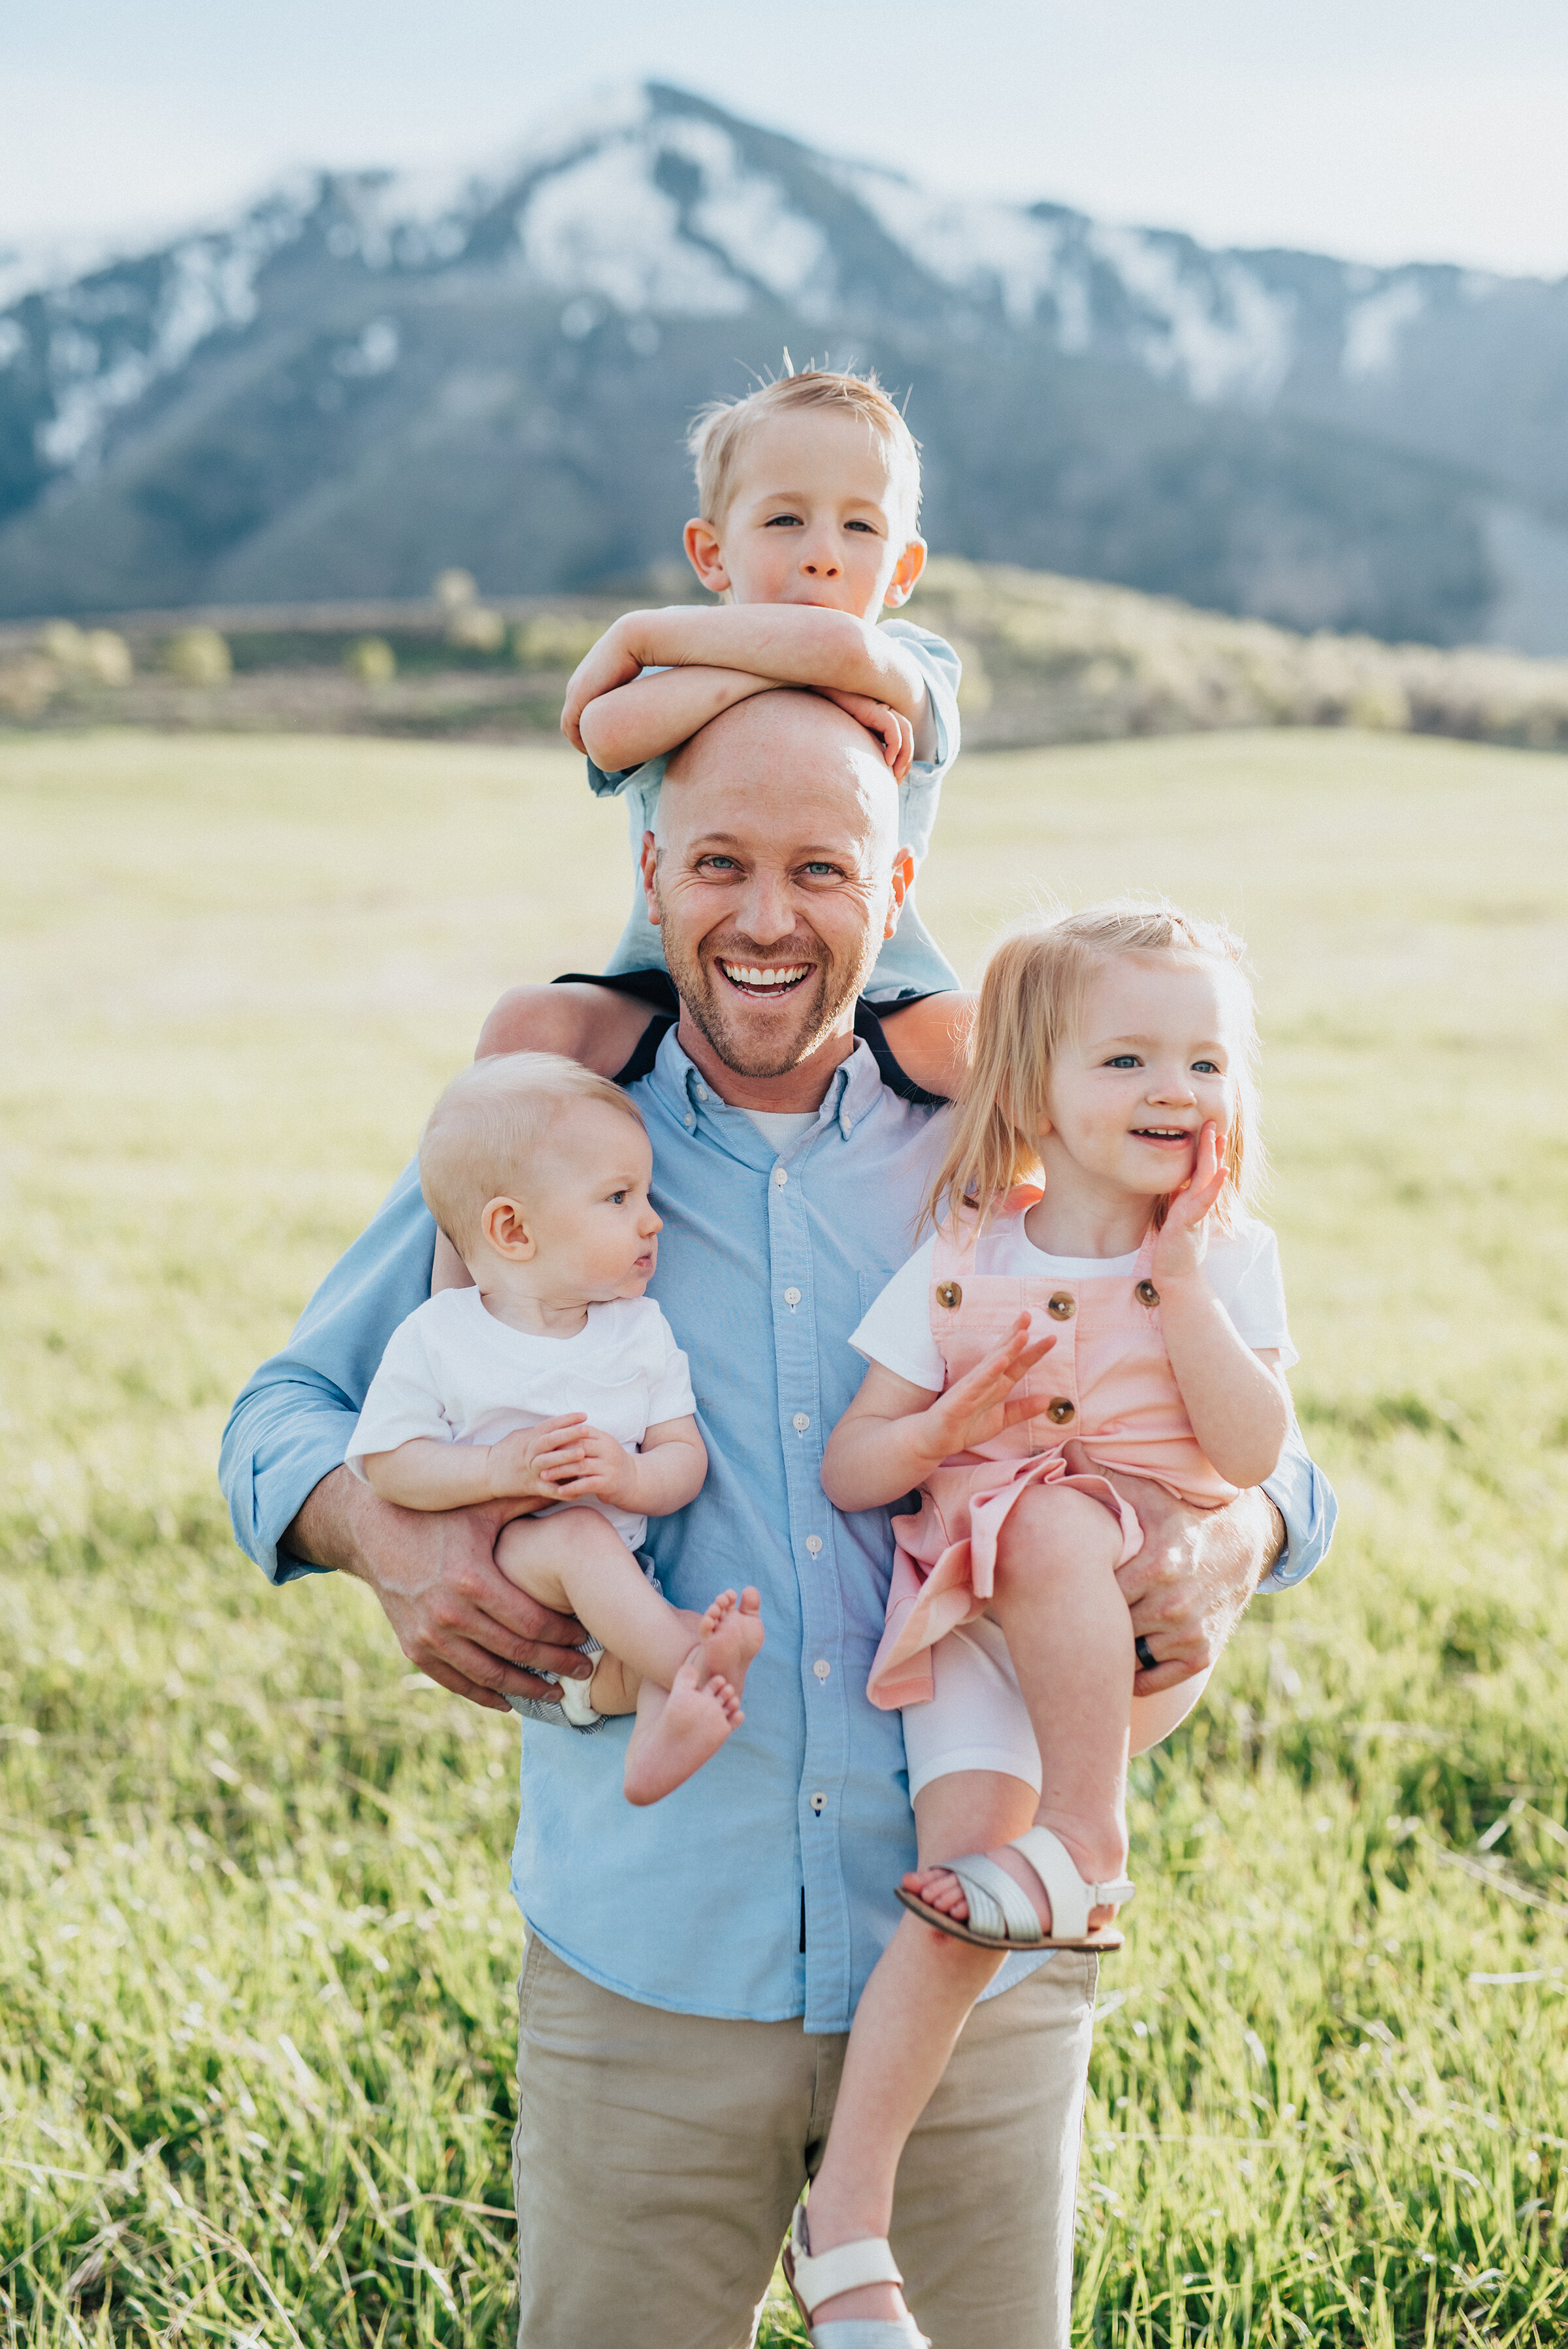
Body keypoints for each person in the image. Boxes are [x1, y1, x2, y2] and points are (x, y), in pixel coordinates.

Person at [220, 689, 1336, 2349]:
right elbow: (280, 1417)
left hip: (971, 1961)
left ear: (891, 898)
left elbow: (1271, 1446)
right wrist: (392, 1541)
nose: (762, 916)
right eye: (718, 863)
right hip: (650, 1959)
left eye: (820, 867)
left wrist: (1229, 1539)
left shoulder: (1019, 1136)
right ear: (650, 873)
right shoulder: (539, 1145)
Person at [783, 904, 1296, 2341]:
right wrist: (942, 1420)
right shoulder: (963, 1256)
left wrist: (1180, 1286)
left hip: (1116, 1647)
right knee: (950, 1907)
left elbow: (1253, 1449)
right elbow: (854, 1466)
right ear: (1030, 1088)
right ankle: (848, 2232)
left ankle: (1088, 1840)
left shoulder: (1222, 1254)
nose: (1172, 1092)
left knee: (1064, 1513)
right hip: (966, 1631)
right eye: (1127, 1057)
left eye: (1203, 1062)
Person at [450, 365, 966, 1253]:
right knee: (522, 1032)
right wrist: (708, 661)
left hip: (879, 981)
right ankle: (467, 1312)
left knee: (1018, 1049)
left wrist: (641, 634)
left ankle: (1039, 1264)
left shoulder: (914, 663)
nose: (823, 552)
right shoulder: (673, 682)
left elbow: (842, 645)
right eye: (783, 519)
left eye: (861, 525)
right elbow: (603, 727)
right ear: (710, 553)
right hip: (673, 978)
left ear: (906, 566)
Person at [346, 1051, 763, 1805]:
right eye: (617, 1197)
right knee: (578, 1539)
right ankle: (696, 1661)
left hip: (610, 1613)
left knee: (639, 1612)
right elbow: (385, 1460)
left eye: (645, 1193)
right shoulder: (441, 1334)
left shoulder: (639, 1331)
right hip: (508, 1587)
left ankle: (662, 1732)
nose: (652, 1217)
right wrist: (500, 1470)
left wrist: (630, 1476)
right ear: (512, 1228)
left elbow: (682, 1454)